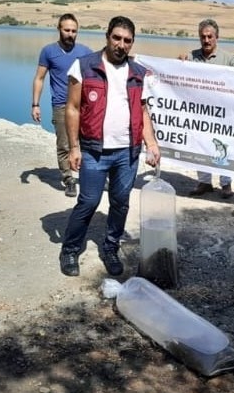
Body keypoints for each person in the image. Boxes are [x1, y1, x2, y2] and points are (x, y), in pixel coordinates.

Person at [59, 16, 161, 278]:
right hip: (94, 150)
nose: (121, 44)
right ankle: (70, 249)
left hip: (127, 152)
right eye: (117, 38)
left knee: (120, 203)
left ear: (132, 43)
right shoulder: (84, 66)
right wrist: (74, 147)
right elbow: (71, 108)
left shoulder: (139, 73)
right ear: (107, 37)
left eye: (127, 40)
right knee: (88, 201)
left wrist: (151, 143)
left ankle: (111, 247)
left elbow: (143, 111)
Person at [181, 18, 234, 199]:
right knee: (200, 146)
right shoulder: (191, 57)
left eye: (209, 36)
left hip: (222, 115)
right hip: (199, 112)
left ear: (216, 37)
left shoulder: (229, 58)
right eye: (203, 37)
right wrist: (178, 64)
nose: (206, 40)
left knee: (222, 146)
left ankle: (226, 184)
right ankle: (204, 182)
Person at [31, 13, 92, 197]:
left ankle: (89, 177)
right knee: (64, 144)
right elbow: (39, 78)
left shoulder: (85, 52)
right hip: (61, 106)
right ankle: (68, 179)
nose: (70, 34)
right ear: (59, 29)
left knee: (88, 144)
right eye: (67, 30)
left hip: (83, 106)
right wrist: (35, 104)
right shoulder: (48, 51)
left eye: (74, 31)